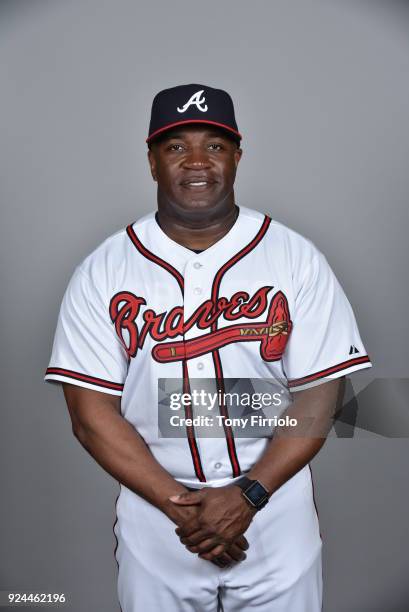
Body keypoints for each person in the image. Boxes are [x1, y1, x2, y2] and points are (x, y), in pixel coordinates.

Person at [45, 84, 372, 611]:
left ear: (237, 158)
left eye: (214, 146)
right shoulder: (104, 270)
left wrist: (248, 496)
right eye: (176, 147)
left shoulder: (295, 258)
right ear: (151, 161)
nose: (197, 161)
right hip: (157, 513)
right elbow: (90, 415)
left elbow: (320, 396)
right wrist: (183, 510)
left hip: (275, 509)